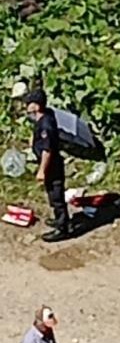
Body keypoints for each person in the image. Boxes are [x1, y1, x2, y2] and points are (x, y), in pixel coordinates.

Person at [25, 90, 69, 242]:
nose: (26, 106)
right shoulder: (45, 115)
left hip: (52, 165)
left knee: (57, 195)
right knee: (51, 193)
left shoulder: (46, 125)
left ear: (36, 106)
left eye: (29, 103)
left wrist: (41, 171)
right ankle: (59, 219)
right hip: (50, 163)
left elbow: (47, 150)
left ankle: (63, 227)